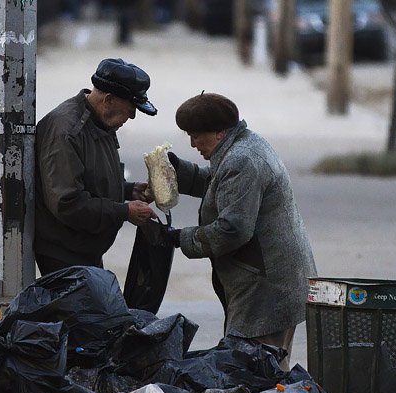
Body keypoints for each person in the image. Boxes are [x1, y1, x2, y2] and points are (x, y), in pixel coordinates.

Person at [167, 92, 317, 370]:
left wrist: (181, 238)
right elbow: (222, 186)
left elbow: (233, 229)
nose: (192, 143)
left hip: (266, 288)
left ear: (220, 132)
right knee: (268, 370)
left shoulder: (242, 160)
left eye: (196, 136)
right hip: (269, 280)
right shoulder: (243, 144)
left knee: (257, 373)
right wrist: (181, 173)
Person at [34, 58, 158, 276]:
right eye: (131, 108)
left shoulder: (100, 119)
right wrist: (124, 211)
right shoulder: (67, 130)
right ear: (108, 99)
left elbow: (90, 177)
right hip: (64, 253)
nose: (132, 116)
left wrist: (128, 190)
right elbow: (67, 203)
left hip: (84, 250)